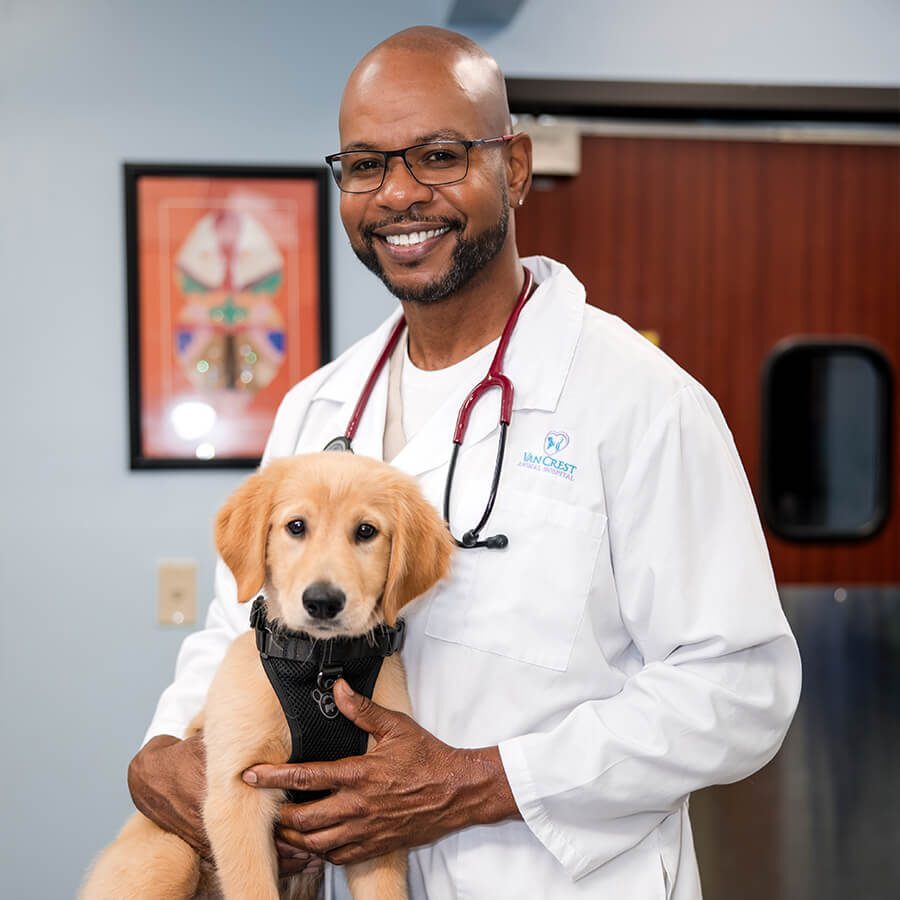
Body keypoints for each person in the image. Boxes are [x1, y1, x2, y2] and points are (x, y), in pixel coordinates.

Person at [129, 26, 802, 899]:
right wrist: (162, 752)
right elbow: (239, 630)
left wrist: (478, 781)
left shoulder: (642, 404)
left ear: (514, 167)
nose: (399, 195)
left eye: (439, 155)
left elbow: (739, 690)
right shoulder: (318, 408)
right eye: (366, 165)